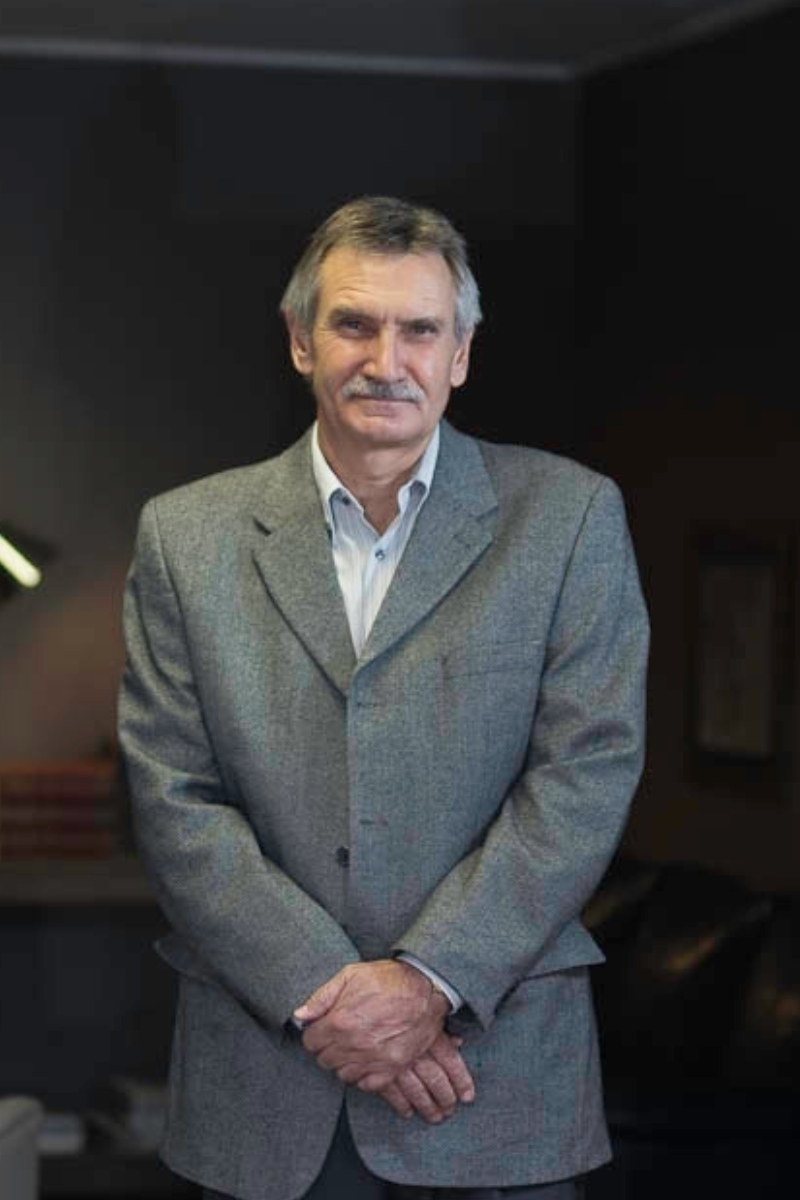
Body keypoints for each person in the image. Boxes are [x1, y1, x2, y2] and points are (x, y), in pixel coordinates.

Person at [118, 195, 649, 1200]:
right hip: (267, 1091)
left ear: (461, 353)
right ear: (299, 340)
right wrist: (331, 996)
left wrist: (426, 986)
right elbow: (171, 797)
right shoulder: (185, 537)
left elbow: (584, 776)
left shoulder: (570, 518)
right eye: (354, 324)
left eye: (420, 330)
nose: (386, 360)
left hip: (490, 1085)